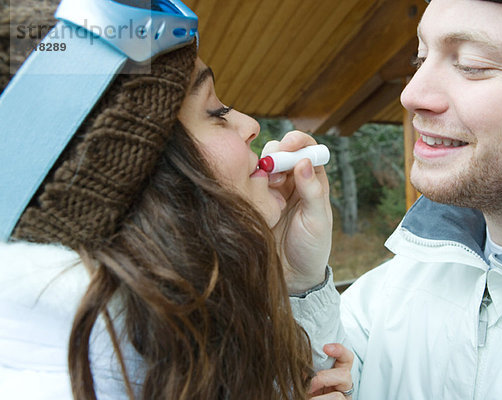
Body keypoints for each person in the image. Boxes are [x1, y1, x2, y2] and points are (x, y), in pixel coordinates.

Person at [0, 0, 352, 399]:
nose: (251, 125)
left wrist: (294, 283)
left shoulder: (164, 349)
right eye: (215, 112)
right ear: (140, 177)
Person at [284, 0, 502, 398]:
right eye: (420, 59)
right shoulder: (394, 285)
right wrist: (301, 285)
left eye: (473, 65)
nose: (412, 95)